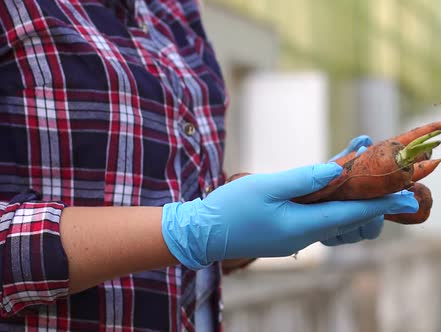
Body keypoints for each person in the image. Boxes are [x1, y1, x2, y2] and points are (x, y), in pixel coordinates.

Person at [0, 0, 418, 330]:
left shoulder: (174, 11)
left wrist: (305, 208)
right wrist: (189, 230)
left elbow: (187, 213)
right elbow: (191, 226)